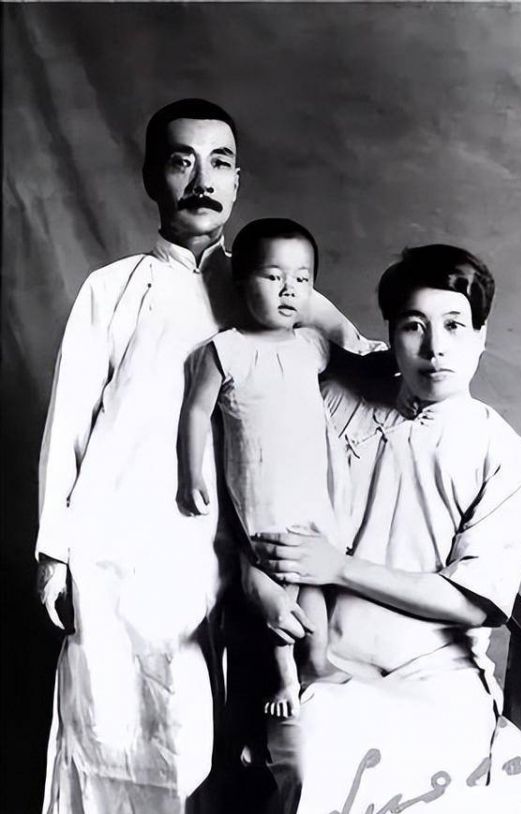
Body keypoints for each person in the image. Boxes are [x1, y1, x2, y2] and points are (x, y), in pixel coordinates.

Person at [35, 98, 380, 814]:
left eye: (219, 163)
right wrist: (54, 554)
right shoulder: (113, 289)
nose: (201, 180)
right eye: (180, 161)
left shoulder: (269, 285)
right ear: (151, 178)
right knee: (122, 736)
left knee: (234, 742)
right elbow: (68, 424)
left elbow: (362, 361)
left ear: (237, 180)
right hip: (129, 551)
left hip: (249, 553)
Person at [254, 244, 521, 814]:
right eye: (414, 326)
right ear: (389, 336)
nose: (435, 348)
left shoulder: (502, 452)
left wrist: (338, 567)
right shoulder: (340, 400)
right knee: (316, 763)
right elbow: (295, 303)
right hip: (327, 663)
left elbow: (472, 604)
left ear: (481, 336)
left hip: (440, 677)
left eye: (455, 326)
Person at [177, 218, 352, 720]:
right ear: (240, 282)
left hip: (310, 490)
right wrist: (191, 474)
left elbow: (359, 365)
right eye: (273, 277)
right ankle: (284, 678)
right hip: (263, 490)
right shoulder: (226, 349)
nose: (289, 289)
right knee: (277, 581)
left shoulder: (312, 346)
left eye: (302, 279)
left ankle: (316, 658)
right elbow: (196, 411)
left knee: (312, 579)